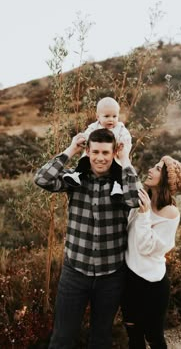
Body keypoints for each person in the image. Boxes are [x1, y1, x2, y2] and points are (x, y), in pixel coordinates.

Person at [34, 128, 140, 349]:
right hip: (74, 273)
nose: (100, 158)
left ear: (113, 153)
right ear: (88, 152)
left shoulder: (123, 180)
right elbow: (42, 179)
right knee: (62, 339)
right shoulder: (75, 178)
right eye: (95, 152)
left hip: (110, 276)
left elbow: (133, 200)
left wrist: (126, 158)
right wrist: (71, 149)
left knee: (100, 340)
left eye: (105, 153)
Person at [121, 155, 181, 349]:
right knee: (133, 337)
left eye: (157, 169)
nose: (150, 170)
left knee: (154, 338)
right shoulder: (143, 198)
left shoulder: (170, 213)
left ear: (166, 179)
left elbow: (146, 247)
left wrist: (143, 215)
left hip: (151, 286)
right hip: (129, 280)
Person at [63, 96, 132, 186]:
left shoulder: (120, 128)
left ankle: (117, 186)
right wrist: (83, 139)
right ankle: (77, 175)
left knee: (118, 170)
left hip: (114, 156)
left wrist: (122, 144)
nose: (111, 119)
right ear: (98, 117)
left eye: (114, 116)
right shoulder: (94, 127)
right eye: (107, 116)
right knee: (84, 162)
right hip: (92, 157)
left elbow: (127, 139)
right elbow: (87, 135)